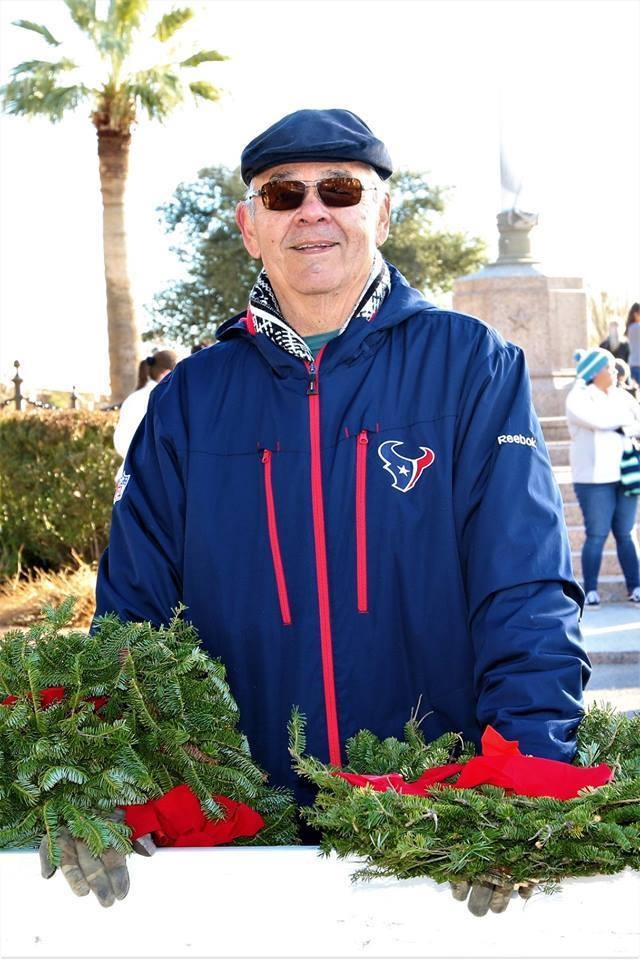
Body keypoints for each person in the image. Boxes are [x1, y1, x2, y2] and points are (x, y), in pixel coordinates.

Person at [60, 109, 590, 914]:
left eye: (340, 189)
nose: (312, 210)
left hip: (439, 828)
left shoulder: (473, 368)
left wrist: (528, 778)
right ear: (249, 226)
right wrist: (103, 778)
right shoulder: (188, 404)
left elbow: (524, 592)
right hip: (247, 849)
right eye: (282, 194)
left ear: (383, 212)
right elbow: (130, 623)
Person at [565, 348, 640, 607]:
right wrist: (623, 423)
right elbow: (598, 421)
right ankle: (591, 590)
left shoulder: (622, 396)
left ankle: (636, 586)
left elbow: (636, 422)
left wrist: (623, 424)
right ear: (594, 372)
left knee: (627, 533)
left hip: (626, 475)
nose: (614, 371)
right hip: (593, 480)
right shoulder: (578, 397)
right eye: (608, 367)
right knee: (596, 534)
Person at [112, 349, 177, 481]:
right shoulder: (165, 398)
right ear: (167, 373)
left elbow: (120, 441)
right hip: (153, 479)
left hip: (126, 477)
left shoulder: (133, 398)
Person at [625, 302, 640, 385]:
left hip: (635, 365)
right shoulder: (636, 327)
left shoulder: (632, 327)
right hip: (637, 366)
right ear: (635, 314)